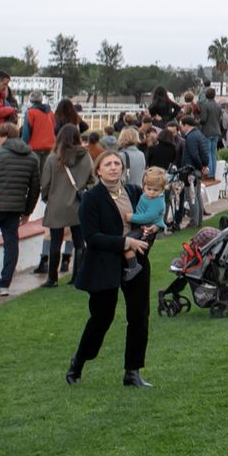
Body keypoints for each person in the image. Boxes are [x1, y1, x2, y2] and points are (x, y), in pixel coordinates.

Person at [66, 150, 154, 388]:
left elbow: (149, 219)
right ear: (99, 170)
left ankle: (132, 371)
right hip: (104, 264)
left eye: (117, 163)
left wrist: (148, 233)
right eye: (108, 164)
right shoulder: (91, 198)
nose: (114, 167)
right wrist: (126, 242)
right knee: (101, 318)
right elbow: (91, 237)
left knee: (139, 316)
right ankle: (78, 361)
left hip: (136, 263)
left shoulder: (135, 192)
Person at [39, 124, 93, 287]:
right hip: (77, 202)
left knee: (55, 241)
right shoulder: (85, 156)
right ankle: (78, 275)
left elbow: (46, 183)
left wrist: (47, 198)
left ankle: (53, 278)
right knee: (79, 242)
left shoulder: (52, 158)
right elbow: (92, 179)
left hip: (56, 203)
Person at [0, 123, 42, 296]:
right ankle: (4, 284)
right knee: (11, 245)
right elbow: (35, 188)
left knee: (10, 244)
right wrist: (28, 211)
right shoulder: (32, 157)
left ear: (5, 136)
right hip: (15, 208)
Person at [198, 87, 223, 178]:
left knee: (208, 153)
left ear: (206, 95)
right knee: (213, 153)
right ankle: (214, 173)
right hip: (216, 131)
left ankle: (210, 173)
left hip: (207, 131)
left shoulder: (205, 105)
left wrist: (198, 121)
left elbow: (203, 119)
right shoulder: (218, 106)